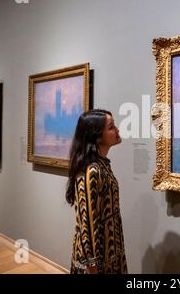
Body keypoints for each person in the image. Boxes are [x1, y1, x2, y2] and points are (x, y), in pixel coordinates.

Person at [66, 109, 127, 274]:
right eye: (111, 127)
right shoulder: (91, 171)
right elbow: (87, 222)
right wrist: (92, 265)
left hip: (111, 250)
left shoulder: (102, 165)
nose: (117, 130)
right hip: (97, 260)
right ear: (97, 137)